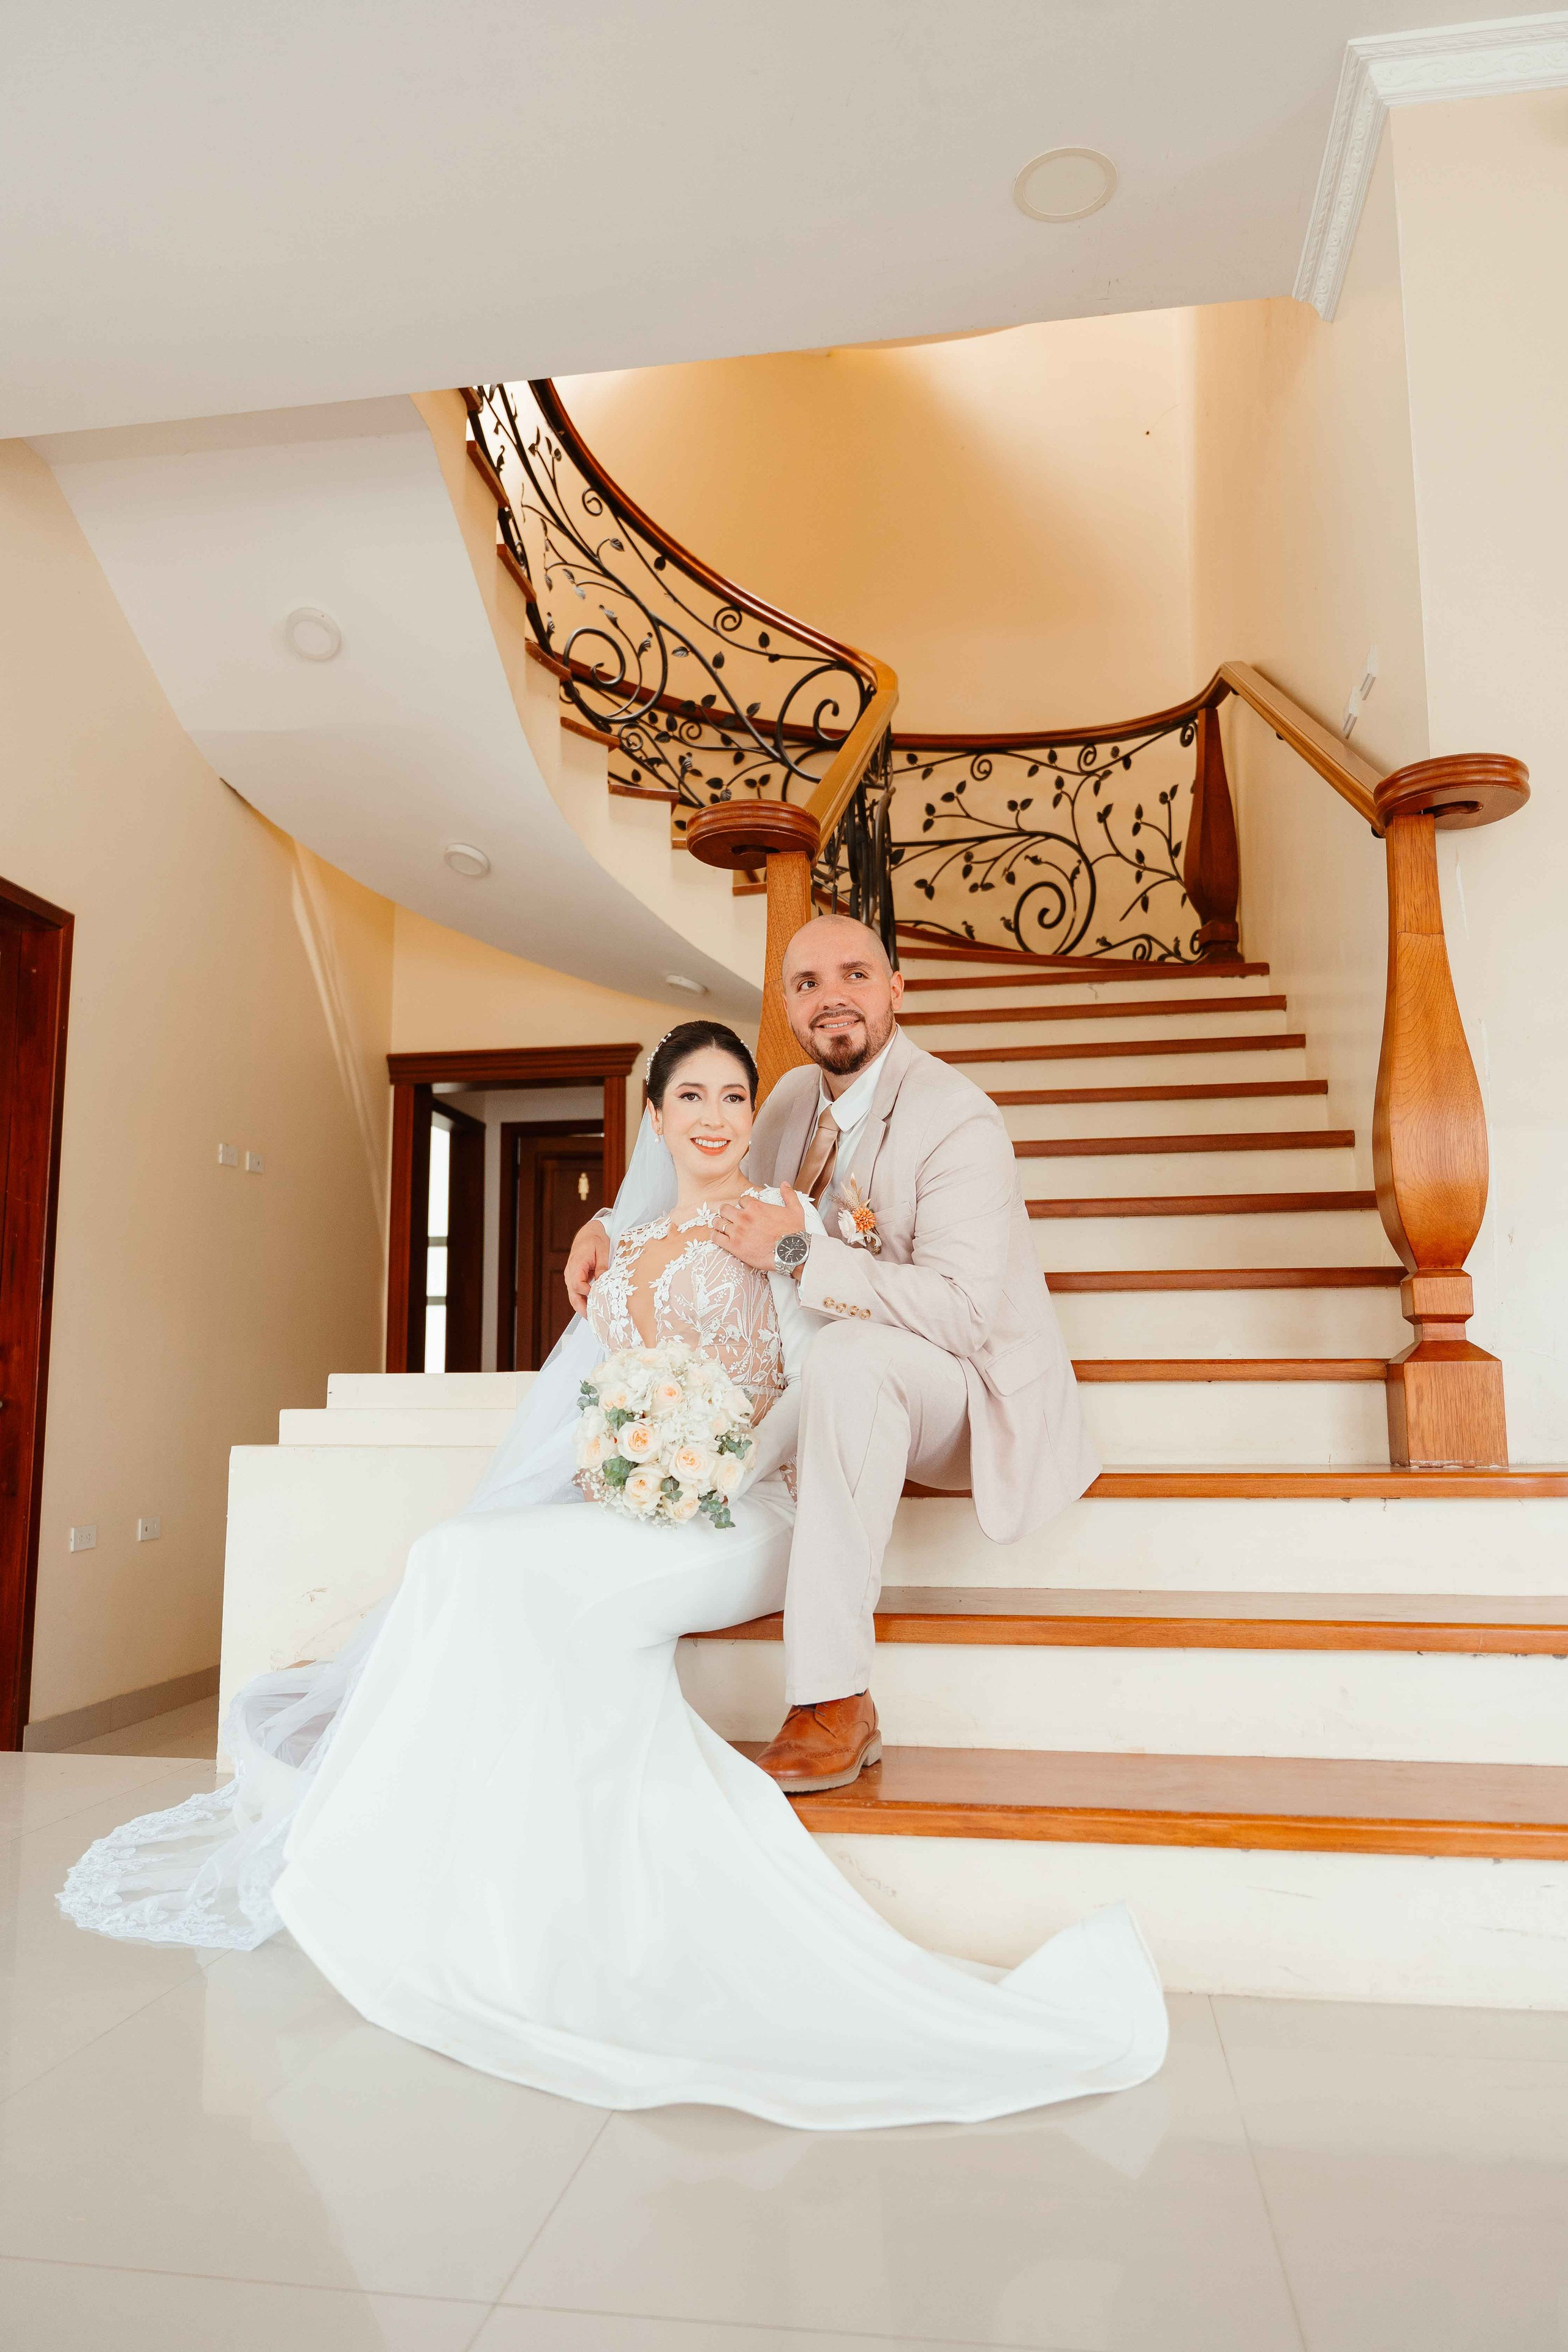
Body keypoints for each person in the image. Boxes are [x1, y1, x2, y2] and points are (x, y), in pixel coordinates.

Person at [61, 1018, 1163, 2130]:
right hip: (646, 1501)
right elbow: (593, 1406)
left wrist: (714, 1465)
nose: (720, 1117)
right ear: (657, 1117)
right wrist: (629, 1459)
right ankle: (432, 1871)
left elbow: (822, 1373)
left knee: (543, 1593)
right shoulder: (624, 1253)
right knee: (457, 1555)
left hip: (751, 1506)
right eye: (694, 1099)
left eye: (737, 1098)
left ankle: (571, 1909)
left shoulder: (787, 1224)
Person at [566, 914, 1099, 1794]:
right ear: (787, 1004)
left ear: (897, 989)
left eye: (856, 974)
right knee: (840, 1362)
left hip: (964, 1387)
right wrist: (606, 1226)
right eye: (808, 983)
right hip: (847, 1376)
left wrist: (800, 1254)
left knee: (848, 1359)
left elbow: (964, 1315)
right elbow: (713, 1188)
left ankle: (835, 1701)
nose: (833, 998)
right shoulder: (784, 1102)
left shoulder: (958, 1118)